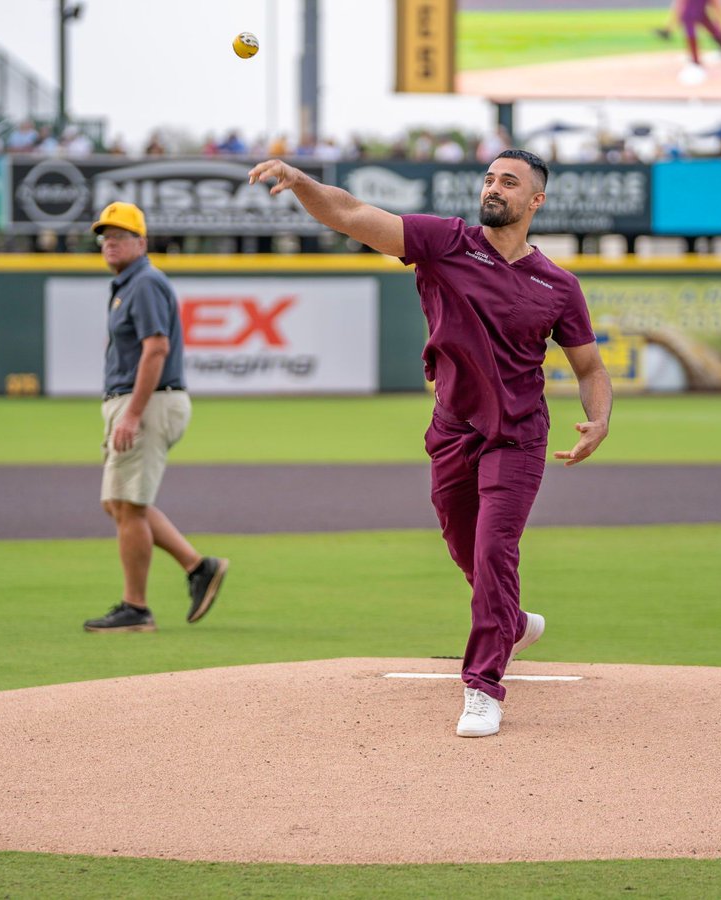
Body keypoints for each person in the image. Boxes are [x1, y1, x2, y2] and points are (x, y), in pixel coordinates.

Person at [248, 150, 612, 738]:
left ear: (535, 202)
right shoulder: (445, 243)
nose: (494, 187)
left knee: (496, 550)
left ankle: (483, 686)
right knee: (464, 546)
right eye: (490, 178)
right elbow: (350, 213)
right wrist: (299, 181)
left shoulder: (558, 285)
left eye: (509, 182)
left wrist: (599, 419)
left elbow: (591, 368)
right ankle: (511, 621)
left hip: (519, 435)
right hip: (453, 429)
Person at [83, 201, 229, 633]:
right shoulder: (130, 283)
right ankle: (198, 566)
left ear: (141, 242)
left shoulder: (144, 282)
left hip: (148, 401)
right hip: (139, 401)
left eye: (120, 235)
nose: (110, 243)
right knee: (119, 503)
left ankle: (136, 608)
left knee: (128, 505)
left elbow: (156, 349)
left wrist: (130, 415)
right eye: (105, 236)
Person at [658, 0, 721, 85]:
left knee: (698, 32)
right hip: (696, 12)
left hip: (695, 12)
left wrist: (669, 26)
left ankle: (697, 62)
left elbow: (716, 4)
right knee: (705, 30)